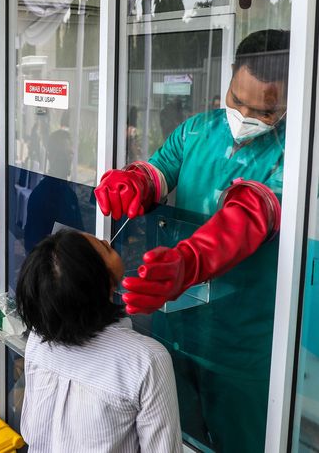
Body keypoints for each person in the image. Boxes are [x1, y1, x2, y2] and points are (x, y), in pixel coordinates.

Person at [94, 29, 289, 451]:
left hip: (242, 340)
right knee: (172, 437)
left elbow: (251, 212)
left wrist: (189, 261)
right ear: (230, 79)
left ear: (289, 101)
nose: (244, 114)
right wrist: (133, 182)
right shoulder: (198, 131)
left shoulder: (295, 152)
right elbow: (160, 169)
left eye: (264, 110)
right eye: (237, 100)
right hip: (176, 325)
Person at [16, 230, 182, 452]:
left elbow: (30, 430)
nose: (106, 239)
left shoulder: (39, 338)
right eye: (106, 249)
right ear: (105, 284)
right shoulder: (147, 360)